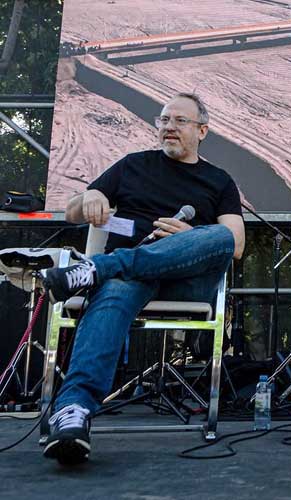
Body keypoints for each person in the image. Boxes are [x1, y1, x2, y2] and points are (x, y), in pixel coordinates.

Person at [40, 93, 245, 465]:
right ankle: (72, 412)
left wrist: (188, 236)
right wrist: (88, 199)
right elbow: (71, 213)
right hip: (130, 281)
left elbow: (235, 244)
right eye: (164, 119)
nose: (169, 127)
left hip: (187, 281)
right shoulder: (132, 165)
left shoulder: (219, 180)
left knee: (219, 236)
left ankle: (96, 269)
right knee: (118, 286)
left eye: (180, 121)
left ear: (202, 130)